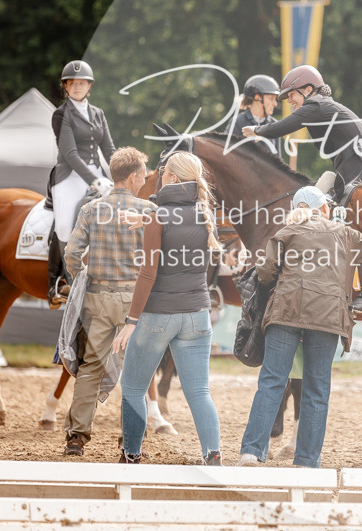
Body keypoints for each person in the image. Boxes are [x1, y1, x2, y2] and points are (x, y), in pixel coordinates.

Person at [236, 185, 362, 468]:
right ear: (325, 208)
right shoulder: (344, 233)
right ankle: (307, 459)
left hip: (286, 311)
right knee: (317, 388)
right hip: (328, 316)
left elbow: (265, 272)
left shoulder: (286, 232)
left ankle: (251, 452)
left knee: (272, 381)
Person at [242, 64, 362, 317]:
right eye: (288, 98)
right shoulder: (319, 108)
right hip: (355, 173)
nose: (290, 101)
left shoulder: (318, 105)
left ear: (309, 89)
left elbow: (285, 126)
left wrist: (258, 131)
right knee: (313, 205)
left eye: (292, 95)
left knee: (345, 226)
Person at [112, 151, 222, 465]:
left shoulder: (158, 216)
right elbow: (174, 223)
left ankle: (131, 454)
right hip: (198, 315)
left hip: (159, 315)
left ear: (172, 177)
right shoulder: (203, 213)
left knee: (133, 388)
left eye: (162, 171)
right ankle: (212, 455)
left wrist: (132, 320)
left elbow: (148, 272)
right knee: (199, 391)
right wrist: (144, 220)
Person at [61, 147, 154, 457]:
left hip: (98, 298)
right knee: (135, 374)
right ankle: (130, 442)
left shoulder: (91, 210)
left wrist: (80, 282)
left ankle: (76, 438)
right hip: (134, 301)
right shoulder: (147, 210)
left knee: (91, 368)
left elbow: (72, 254)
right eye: (142, 175)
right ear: (130, 178)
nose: (144, 180)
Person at [48, 59, 116, 307]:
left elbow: (108, 148)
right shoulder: (61, 114)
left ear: (89, 86)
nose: (77, 87)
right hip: (69, 175)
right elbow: (70, 153)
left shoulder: (98, 113)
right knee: (66, 224)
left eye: (82, 83)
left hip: (98, 174)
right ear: (65, 86)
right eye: (72, 83)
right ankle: (59, 281)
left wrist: (123, 172)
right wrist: (96, 180)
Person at [230, 74, 282, 158]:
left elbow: (278, 162)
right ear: (258, 98)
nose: (275, 104)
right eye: (271, 98)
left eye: (275, 99)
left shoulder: (274, 124)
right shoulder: (237, 122)